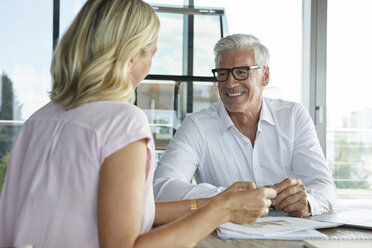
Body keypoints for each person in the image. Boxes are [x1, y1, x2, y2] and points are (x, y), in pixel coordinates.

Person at [0, 2, 277, 248]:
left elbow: (122, 211)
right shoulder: (122, 122)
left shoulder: (37, 120)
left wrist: (216, 202)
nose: (148, 67)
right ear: (131, 55)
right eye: (151, 54)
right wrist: (223, 210)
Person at [154, 33, 337, 217]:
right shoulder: (198, 126)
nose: (230, 83)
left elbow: (323, 185)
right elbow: (161, 187)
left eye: (241, 72)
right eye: (223, 74)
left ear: (265, 76)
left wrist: (307, 203)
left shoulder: (293, 116)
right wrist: (228, 198)